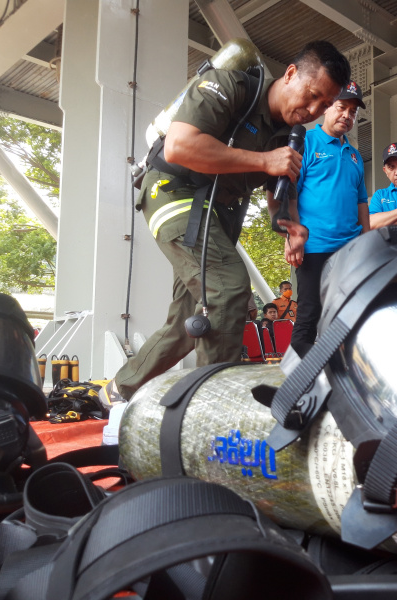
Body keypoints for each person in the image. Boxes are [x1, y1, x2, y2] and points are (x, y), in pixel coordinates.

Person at [102, 41, 350, 404]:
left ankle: (115, 391)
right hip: (173, 192)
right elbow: (179, 146)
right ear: (292, 74)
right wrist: (265, 160)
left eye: (325, 105)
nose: (313, 110)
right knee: (230, 289)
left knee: (189, 320)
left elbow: (278, 192)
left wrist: (287, 223)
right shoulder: (231, 87)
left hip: (215, 215)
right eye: (312, 96)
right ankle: (212, 409)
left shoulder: (290, 136)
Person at [269, 81, 369, 357]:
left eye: (352, 111)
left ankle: (340, 381)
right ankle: (301, 384)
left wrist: (366, 242)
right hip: (314, 248)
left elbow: (362, 201)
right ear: (327, 108)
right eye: (341, 107)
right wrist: (292, 237)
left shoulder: (355, 156)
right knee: (309, 317)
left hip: (349, 250)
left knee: (348, 316)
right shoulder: (306, 143)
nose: (347, 115)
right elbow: (290, 193)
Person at [369, 142, 397, 229]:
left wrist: (385, 222)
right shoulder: (380, 195)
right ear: (385, 171)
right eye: (391, 167)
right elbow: (372, 224)